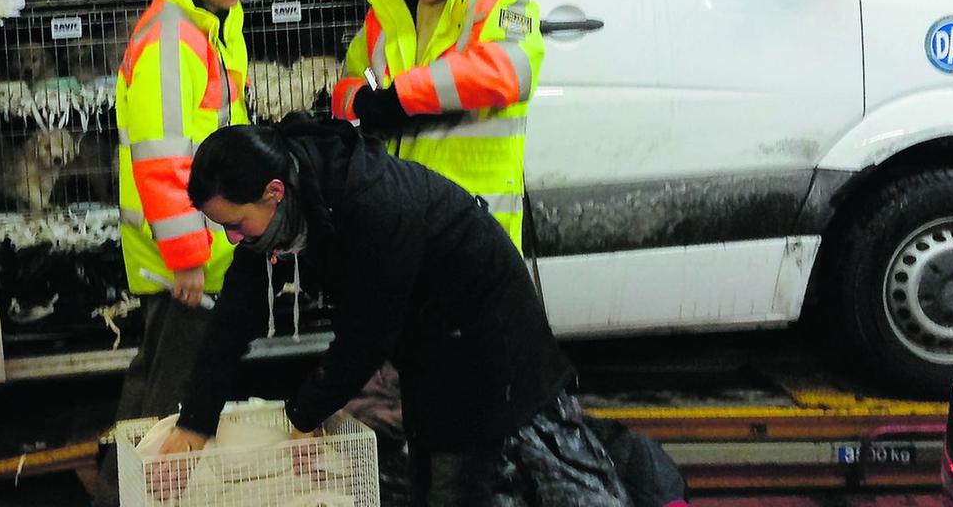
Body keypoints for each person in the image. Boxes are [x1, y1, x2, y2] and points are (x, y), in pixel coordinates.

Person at [159, 120, 629, 505]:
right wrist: (195, 421)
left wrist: (303, 416)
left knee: (457, 479)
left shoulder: (372, 203)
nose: (232, 239)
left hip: (485, 334)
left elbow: (368, 335)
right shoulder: (290, 203)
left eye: (236, 225)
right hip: (427, 338)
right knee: (425, 472)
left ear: (275, 191)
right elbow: (232, 320)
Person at [98, 0, 253, 503]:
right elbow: (164, 159)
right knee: (173, 396)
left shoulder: (207, 24)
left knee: (153, 382)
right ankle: (142, 495)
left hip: (195, 241)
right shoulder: (172, 40)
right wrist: (188, 253)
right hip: (183, 253)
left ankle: (118, 490)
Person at [333, 0, 542, 249]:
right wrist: (363, 103)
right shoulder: (387, 9)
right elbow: (349, 82)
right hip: (400, 211)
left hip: (473, 217)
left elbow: (509, 71)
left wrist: (401, 98)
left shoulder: (502, 3)